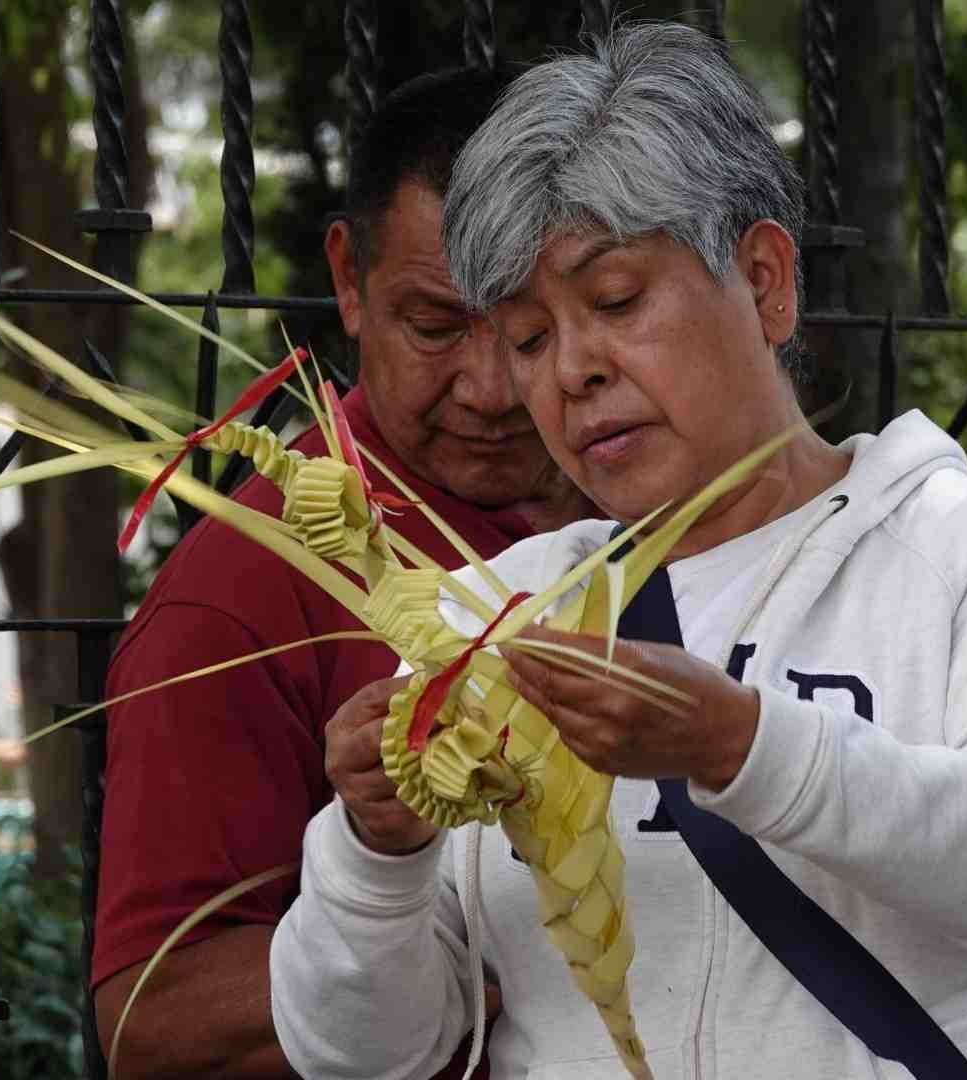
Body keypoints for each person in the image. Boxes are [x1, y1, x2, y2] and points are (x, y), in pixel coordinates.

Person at [270, 23, 967, 1079]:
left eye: (617, 301)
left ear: (767, 279)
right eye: (530, 337)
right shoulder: (499, 609)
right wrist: (375, 850)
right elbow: (357, 1059)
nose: (572, 370)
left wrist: (743, 746)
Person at [91, 66, 592, 1077]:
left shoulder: (674, 508)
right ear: (349, 284)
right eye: (438, 325)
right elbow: (157, 1017)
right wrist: (486, 964)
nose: (493, 389)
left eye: (531, 326)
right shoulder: (243, 588)